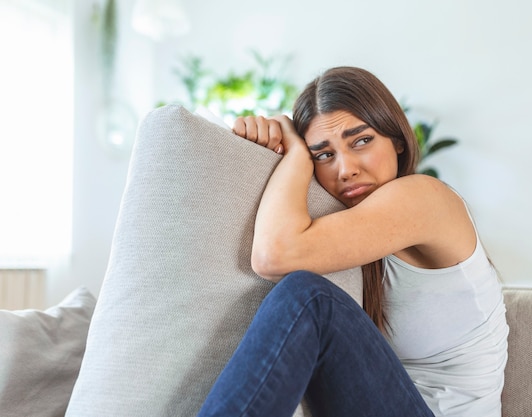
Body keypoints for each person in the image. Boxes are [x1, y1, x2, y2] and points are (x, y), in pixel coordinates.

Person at [196, 66, 508, 417]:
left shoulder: (425, 198)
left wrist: (297, 155)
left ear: (398, 142)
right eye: (324, 155)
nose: (345, 170)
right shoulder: (358, 234)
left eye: (361, 141)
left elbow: (273, 256)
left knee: (309, 297)